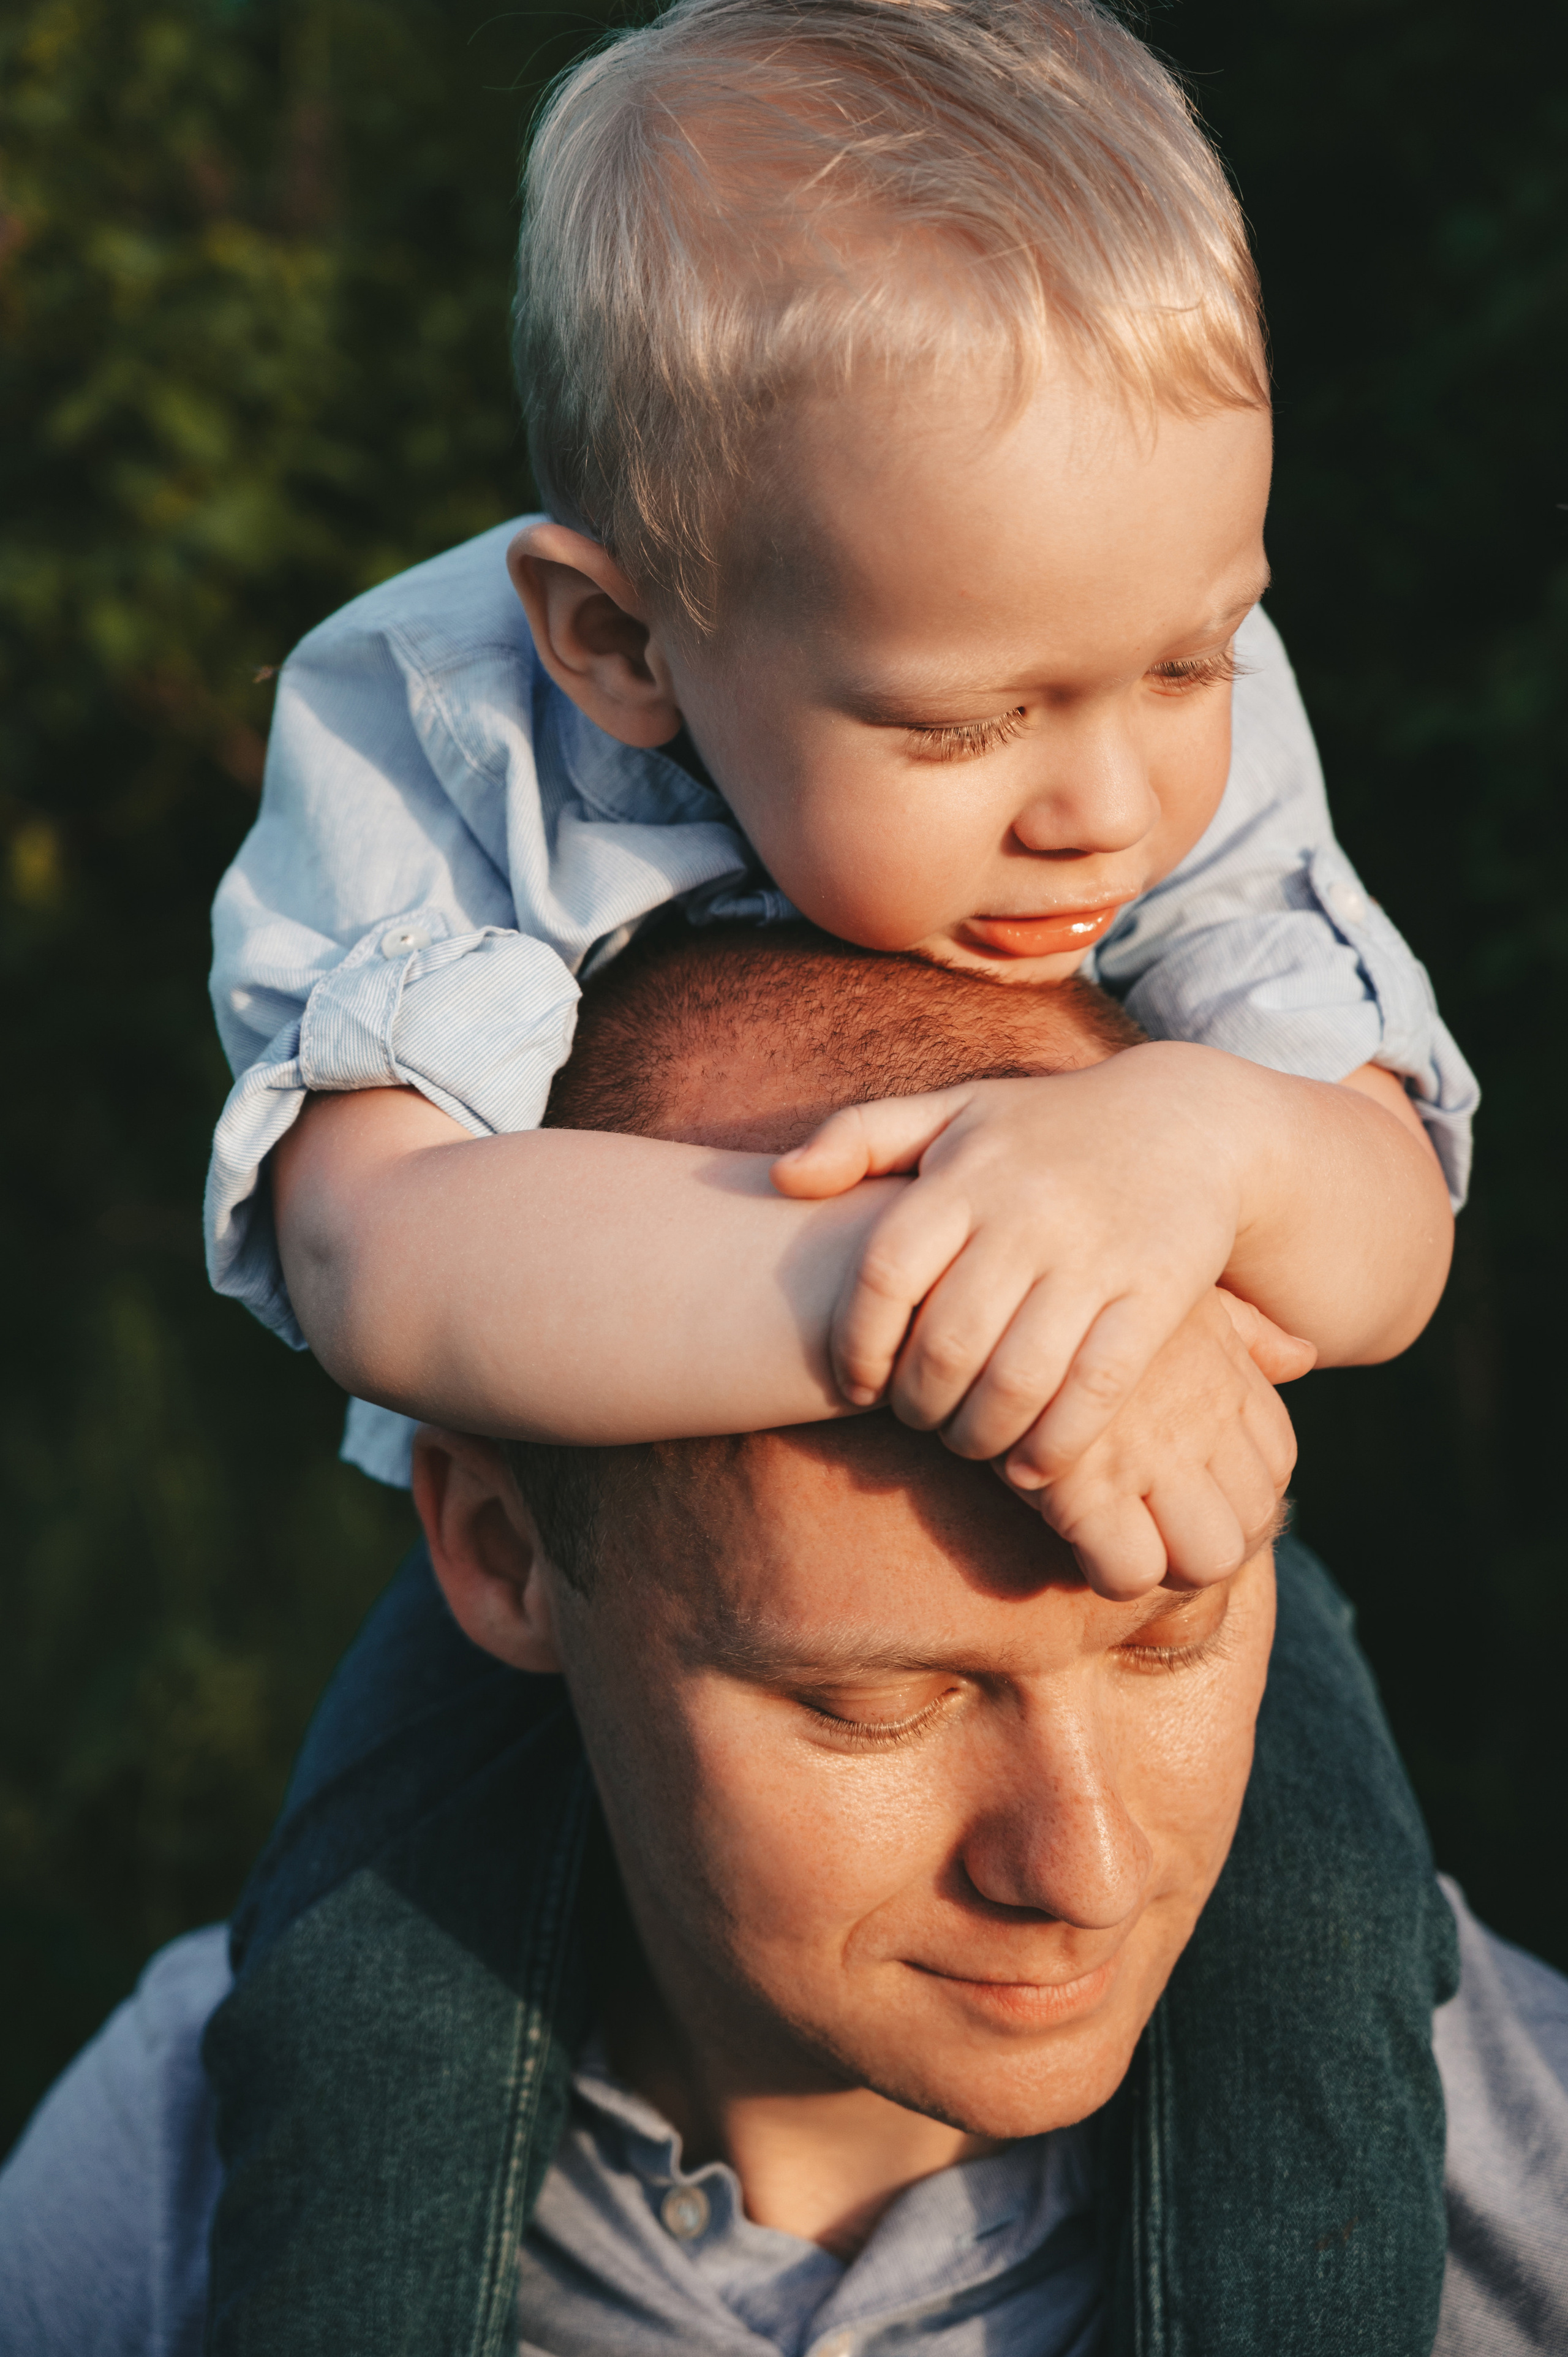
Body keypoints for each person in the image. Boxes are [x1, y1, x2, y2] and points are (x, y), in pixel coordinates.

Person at [5, 928, 1555, 2357]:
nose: (1078, 1866)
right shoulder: (173, 2175)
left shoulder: (1524, 2174)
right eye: (873, 1704)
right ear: (496, 1555)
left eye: (1170, 1644)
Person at [206, 0, 1476, 1603]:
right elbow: (376, 1256)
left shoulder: (1140, 644)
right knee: (377, 1857)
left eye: (1189, 663)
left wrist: (1206, 1149)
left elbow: (1395, 1220)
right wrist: (935, 1293)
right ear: (619, 645)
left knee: (1319, 1837)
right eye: (961, 727)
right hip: (608, 1582)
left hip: (1131, 1540)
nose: (1104, 802)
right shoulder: (451, 730)